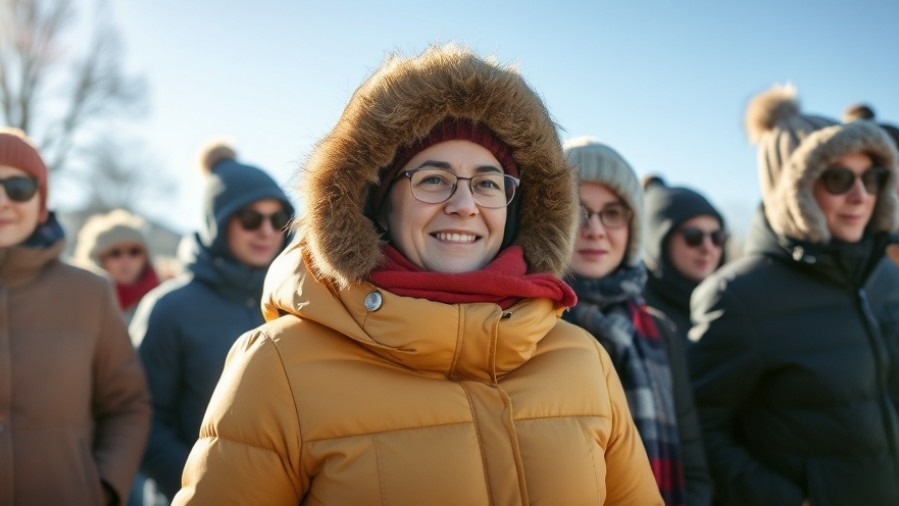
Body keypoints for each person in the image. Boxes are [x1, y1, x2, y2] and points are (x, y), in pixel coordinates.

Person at [172, 44, 662, 505]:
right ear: (379, 204)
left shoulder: (579, 358)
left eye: (488, 183)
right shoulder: (277, 365)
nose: (465, 205)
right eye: (434, 179)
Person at [688, 84, 899, 505]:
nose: (860, 196)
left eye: (871, 178)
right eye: (838, 178)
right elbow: (701, 429)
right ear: (794, 192)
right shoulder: (738, 297)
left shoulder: (882, 275)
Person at [130, 142, 294, 501]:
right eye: (250, 219)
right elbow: (143, 420)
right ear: (217, 224)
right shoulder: (169, 309)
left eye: (278, 219)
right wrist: (204, 487)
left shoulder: (301, 304)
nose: (266, 230)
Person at [0, 128, 151, 504]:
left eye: (18, 187)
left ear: (41, 199)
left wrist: (102, 487)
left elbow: (128, 405)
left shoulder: (90, 293)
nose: (2, 200)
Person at [562, 139, 712, 506]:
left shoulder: (659, 331)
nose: (595, 229)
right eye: (577, 210)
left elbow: (694, 466)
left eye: (613, 213)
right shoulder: (524, 325)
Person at [642, 177, 727, 342]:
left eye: (717, 237)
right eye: (693, 237)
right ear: (659, 242)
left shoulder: (732, 307)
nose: (708, 247)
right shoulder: (635, 313)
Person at [74, 208, 161, 323]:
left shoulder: (164, 302)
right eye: (115, 253)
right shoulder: (77, 302)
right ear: (98, 259)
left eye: (134, 252)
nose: (126, 260)